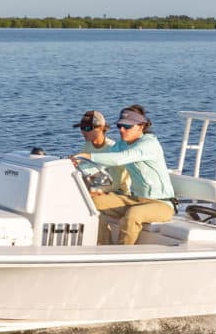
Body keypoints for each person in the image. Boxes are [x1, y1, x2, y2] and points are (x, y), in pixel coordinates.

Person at [75, 105, 176, 245]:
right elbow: (103, 162)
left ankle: (121, 253)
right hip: (135, 199)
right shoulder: (123, 144)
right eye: (120, 126)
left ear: (141, 126)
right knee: (90, 203)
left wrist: (87, 156)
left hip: (162, 204)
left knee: (134, 214)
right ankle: (105, 247)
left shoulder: (149, 144)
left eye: (127, 127)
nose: (122, 130)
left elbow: (118, 159)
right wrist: (74, 167)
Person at [73, 110, 130, 194]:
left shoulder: (113, 149)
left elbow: (114, 184)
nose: (84, 132)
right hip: (96, 189)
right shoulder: (87, 145)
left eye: (88, 128)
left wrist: (89, 190)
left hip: (118, 193)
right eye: (82, 128)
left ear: (101, 128)